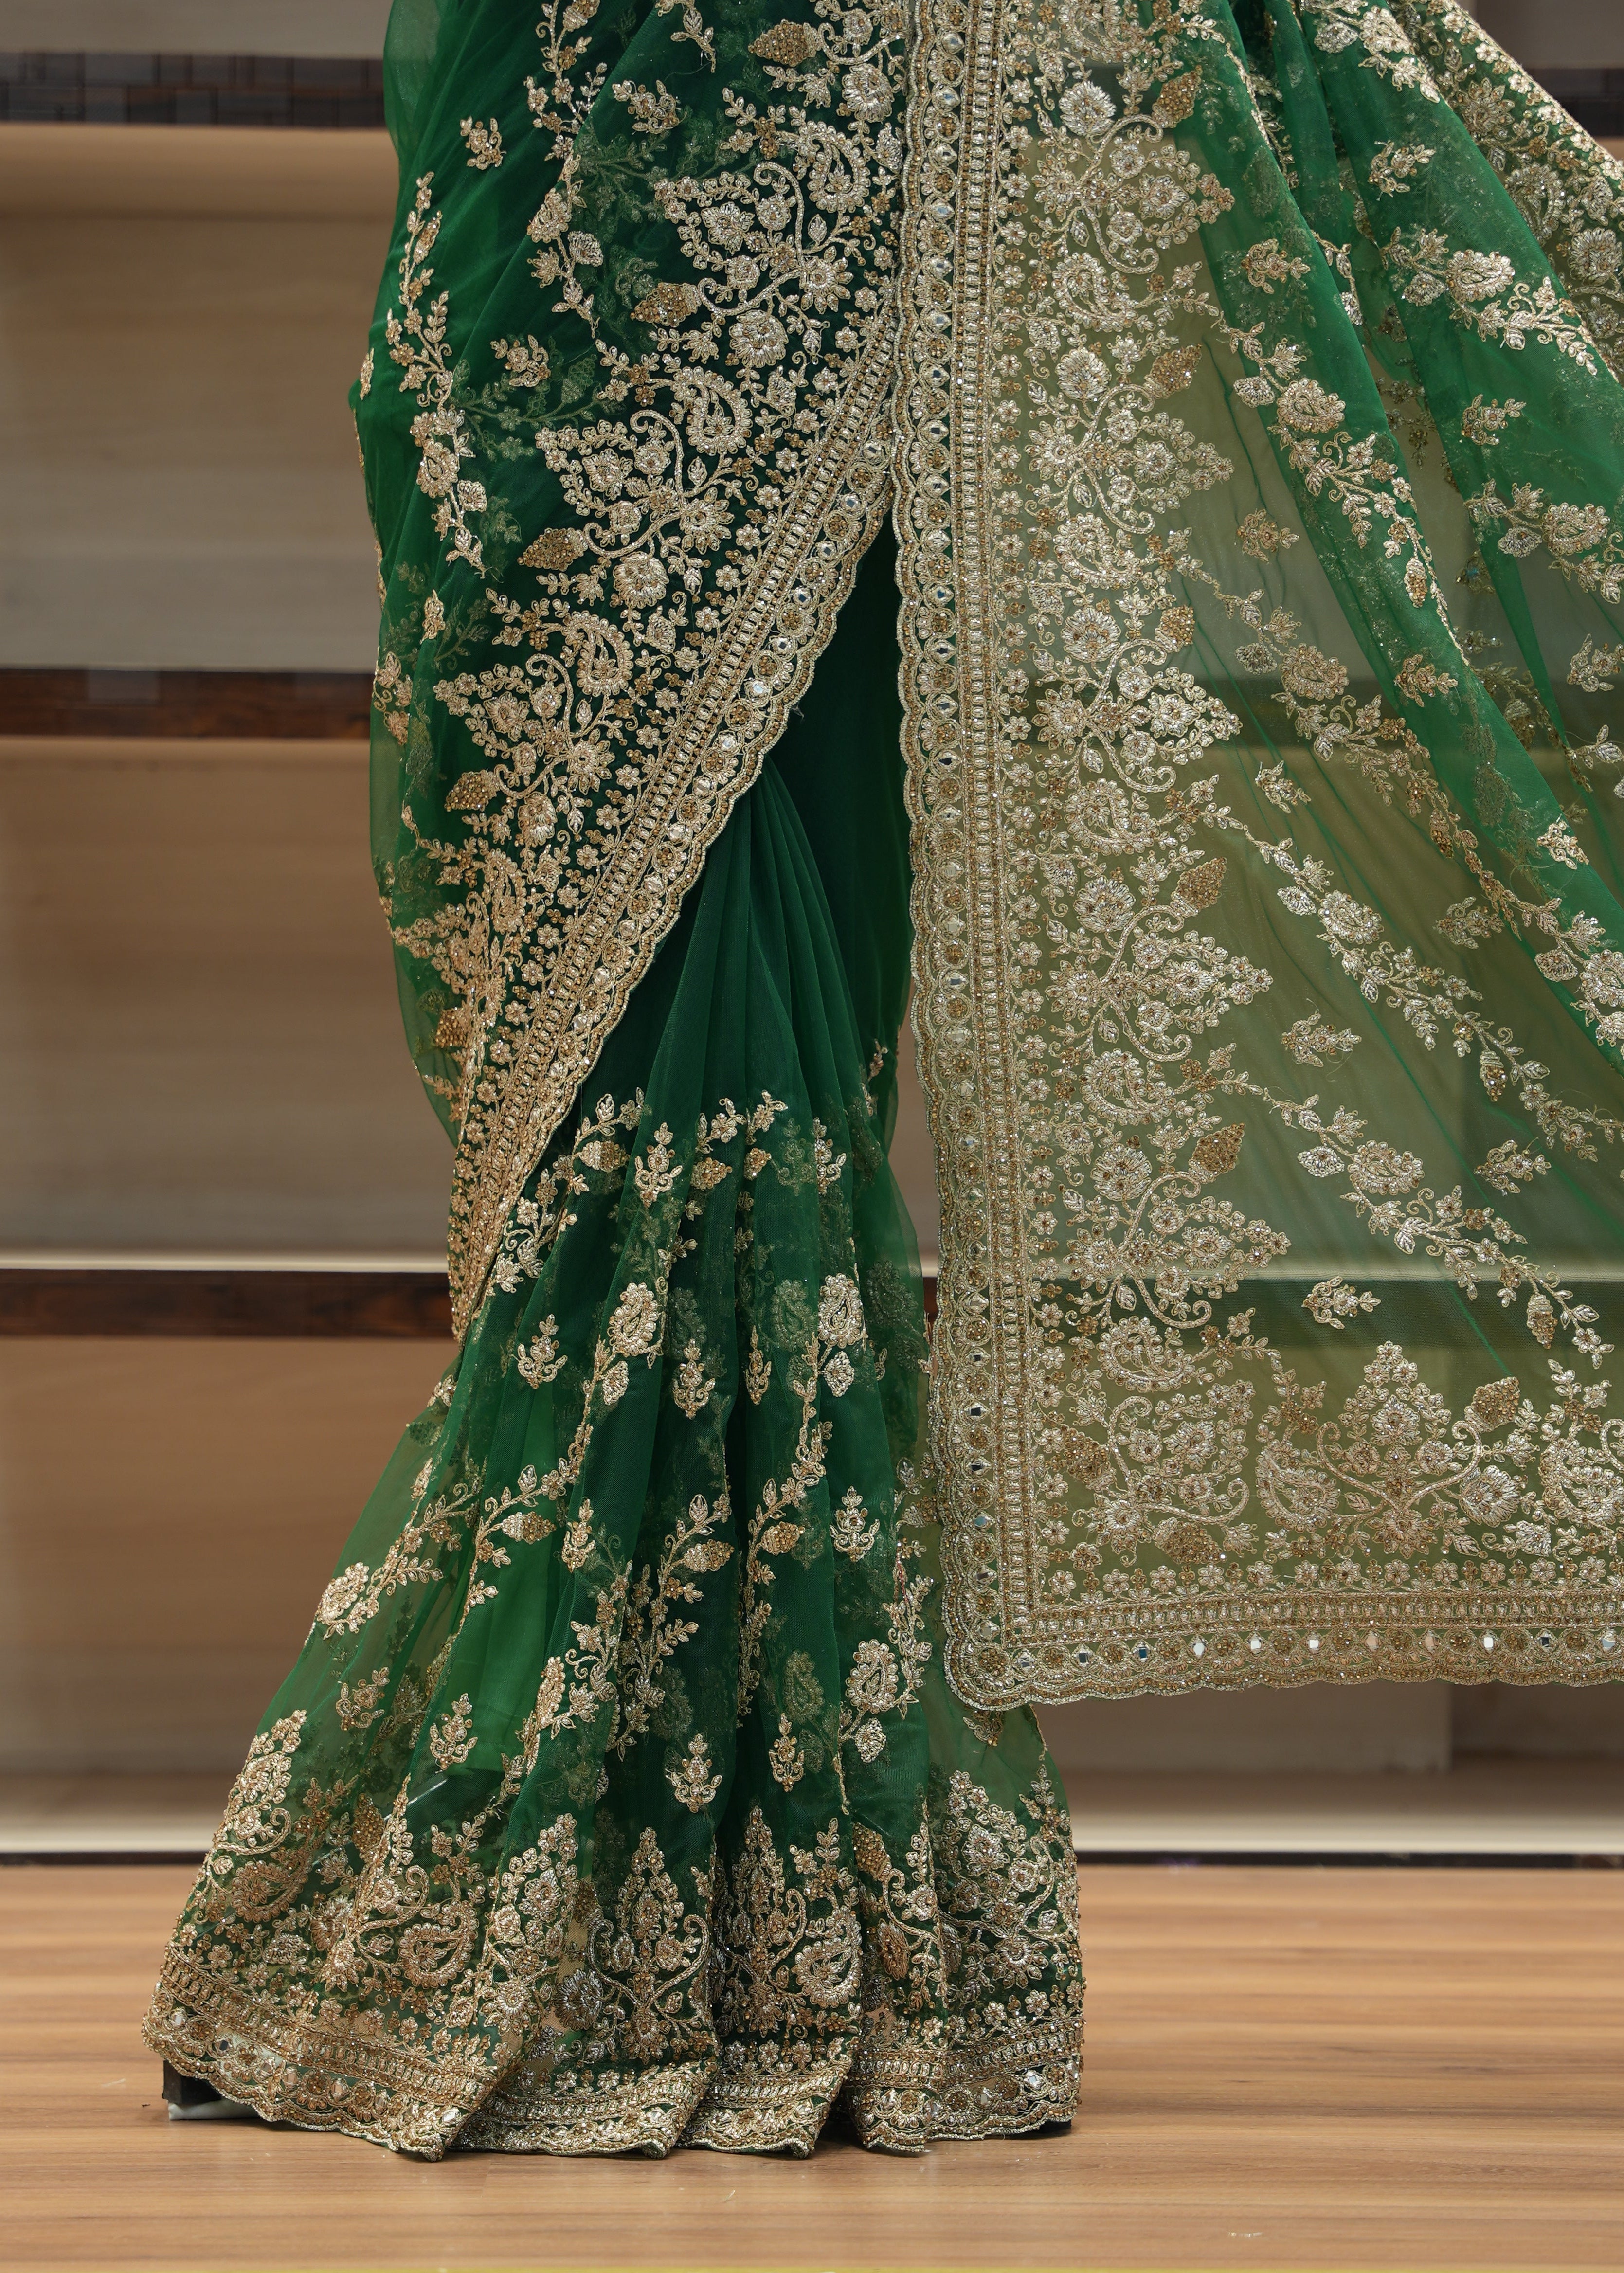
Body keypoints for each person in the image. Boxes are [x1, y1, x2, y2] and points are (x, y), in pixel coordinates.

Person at [148, 0, 1624, 2156]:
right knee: (591, 989)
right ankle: (665, 1899)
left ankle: (624, 1904)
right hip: (549, 130)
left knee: (731, 999)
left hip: (825, 117)